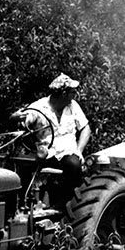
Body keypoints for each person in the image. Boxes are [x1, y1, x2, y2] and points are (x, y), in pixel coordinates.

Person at [12, 73, 91, 206]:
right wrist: (16, 117)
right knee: (23, 167)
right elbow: (23, 119)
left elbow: (85, 128)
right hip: (47, 155)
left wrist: (78, 150)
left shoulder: (73, 106)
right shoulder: (39, 107)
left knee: (74, 165)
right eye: (72, 92)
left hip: (68, 154)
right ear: (63, 93)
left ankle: (68, 205)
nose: (75, 94)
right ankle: (23, 204)